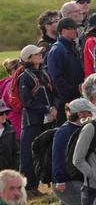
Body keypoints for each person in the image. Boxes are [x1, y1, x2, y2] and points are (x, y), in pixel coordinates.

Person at [51, 99, 95, 205]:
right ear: (80, 114)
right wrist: (60, 180)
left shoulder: (79, 128)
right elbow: (57, 157)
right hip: (67, 182)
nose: (91, 114)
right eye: (88, 112)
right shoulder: (64, 132)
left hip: (70, 181)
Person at [18, 43, 56, 196]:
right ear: (28, 59)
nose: (40, 55)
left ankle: (47, 182)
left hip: (47, 119)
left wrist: (54, 107)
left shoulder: (44, 73)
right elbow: (27, 102)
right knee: (28, 154)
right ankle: (28, 188)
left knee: (46, 151)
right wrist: (47, 109)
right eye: (36, 54)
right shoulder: (24, 77)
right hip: (32, 121)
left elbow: (54, 94)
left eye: (40, 53)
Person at [47, 17, 84, 124]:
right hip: (65, 103)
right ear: (63, 31)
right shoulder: (57, 50)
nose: (75, 31)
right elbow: (56, 79)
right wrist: (72, 93)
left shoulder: (70, 47)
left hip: (74, 99)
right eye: (72, 28)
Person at [0, 102, 16, 172]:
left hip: (7, 172)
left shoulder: (11, 131)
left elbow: (16, 152)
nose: (4, 116)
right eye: (1, 114)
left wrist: (14, 170)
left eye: (5, 113)